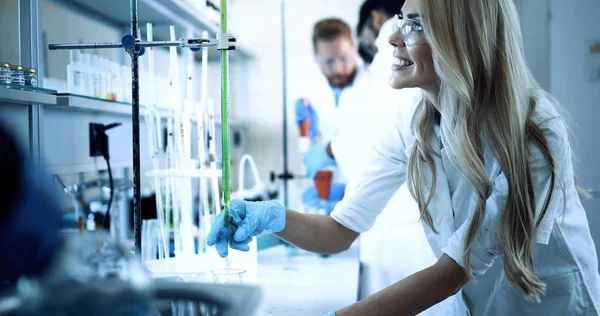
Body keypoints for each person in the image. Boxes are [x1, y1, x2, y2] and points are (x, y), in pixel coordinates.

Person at [209, 0, 600, 314]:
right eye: (401, 19)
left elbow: (452, 271)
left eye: (415, 24)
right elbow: (340, 230)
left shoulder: (533, 131)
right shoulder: (412, 120)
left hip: (554, 305)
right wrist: (271, 217)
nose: (393, 36)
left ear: (459, 39)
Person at [294, 18, 370, 214]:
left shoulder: (373, 83)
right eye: (328, 61)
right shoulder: (312, 92)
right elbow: (311, 151)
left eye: (344, 57)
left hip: (368, 195)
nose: (338, 69)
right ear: (317, 58)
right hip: (327, 198)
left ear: (354, 49)